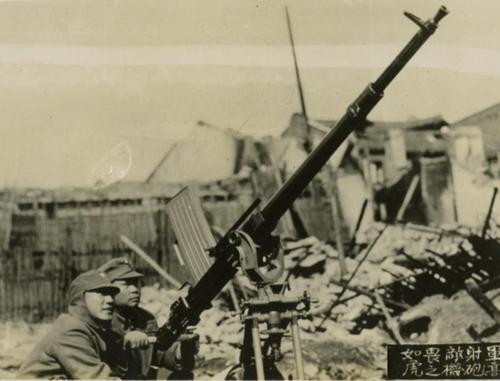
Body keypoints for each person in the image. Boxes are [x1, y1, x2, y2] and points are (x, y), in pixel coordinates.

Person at [98, 257, 199, 380]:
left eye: (135, 283)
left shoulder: (146, 319)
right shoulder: (100, 321)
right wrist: (123, 343)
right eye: (126, 284)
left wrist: (182, 349)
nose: (134, 290)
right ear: (109, 289)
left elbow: (157, 355)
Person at [17, 270, 121, 380]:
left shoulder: (90, 328)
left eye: (111, 294)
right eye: (102, 293)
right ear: (81, 298)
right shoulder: (71, 330)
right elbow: (98, 378)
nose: (110, 300)